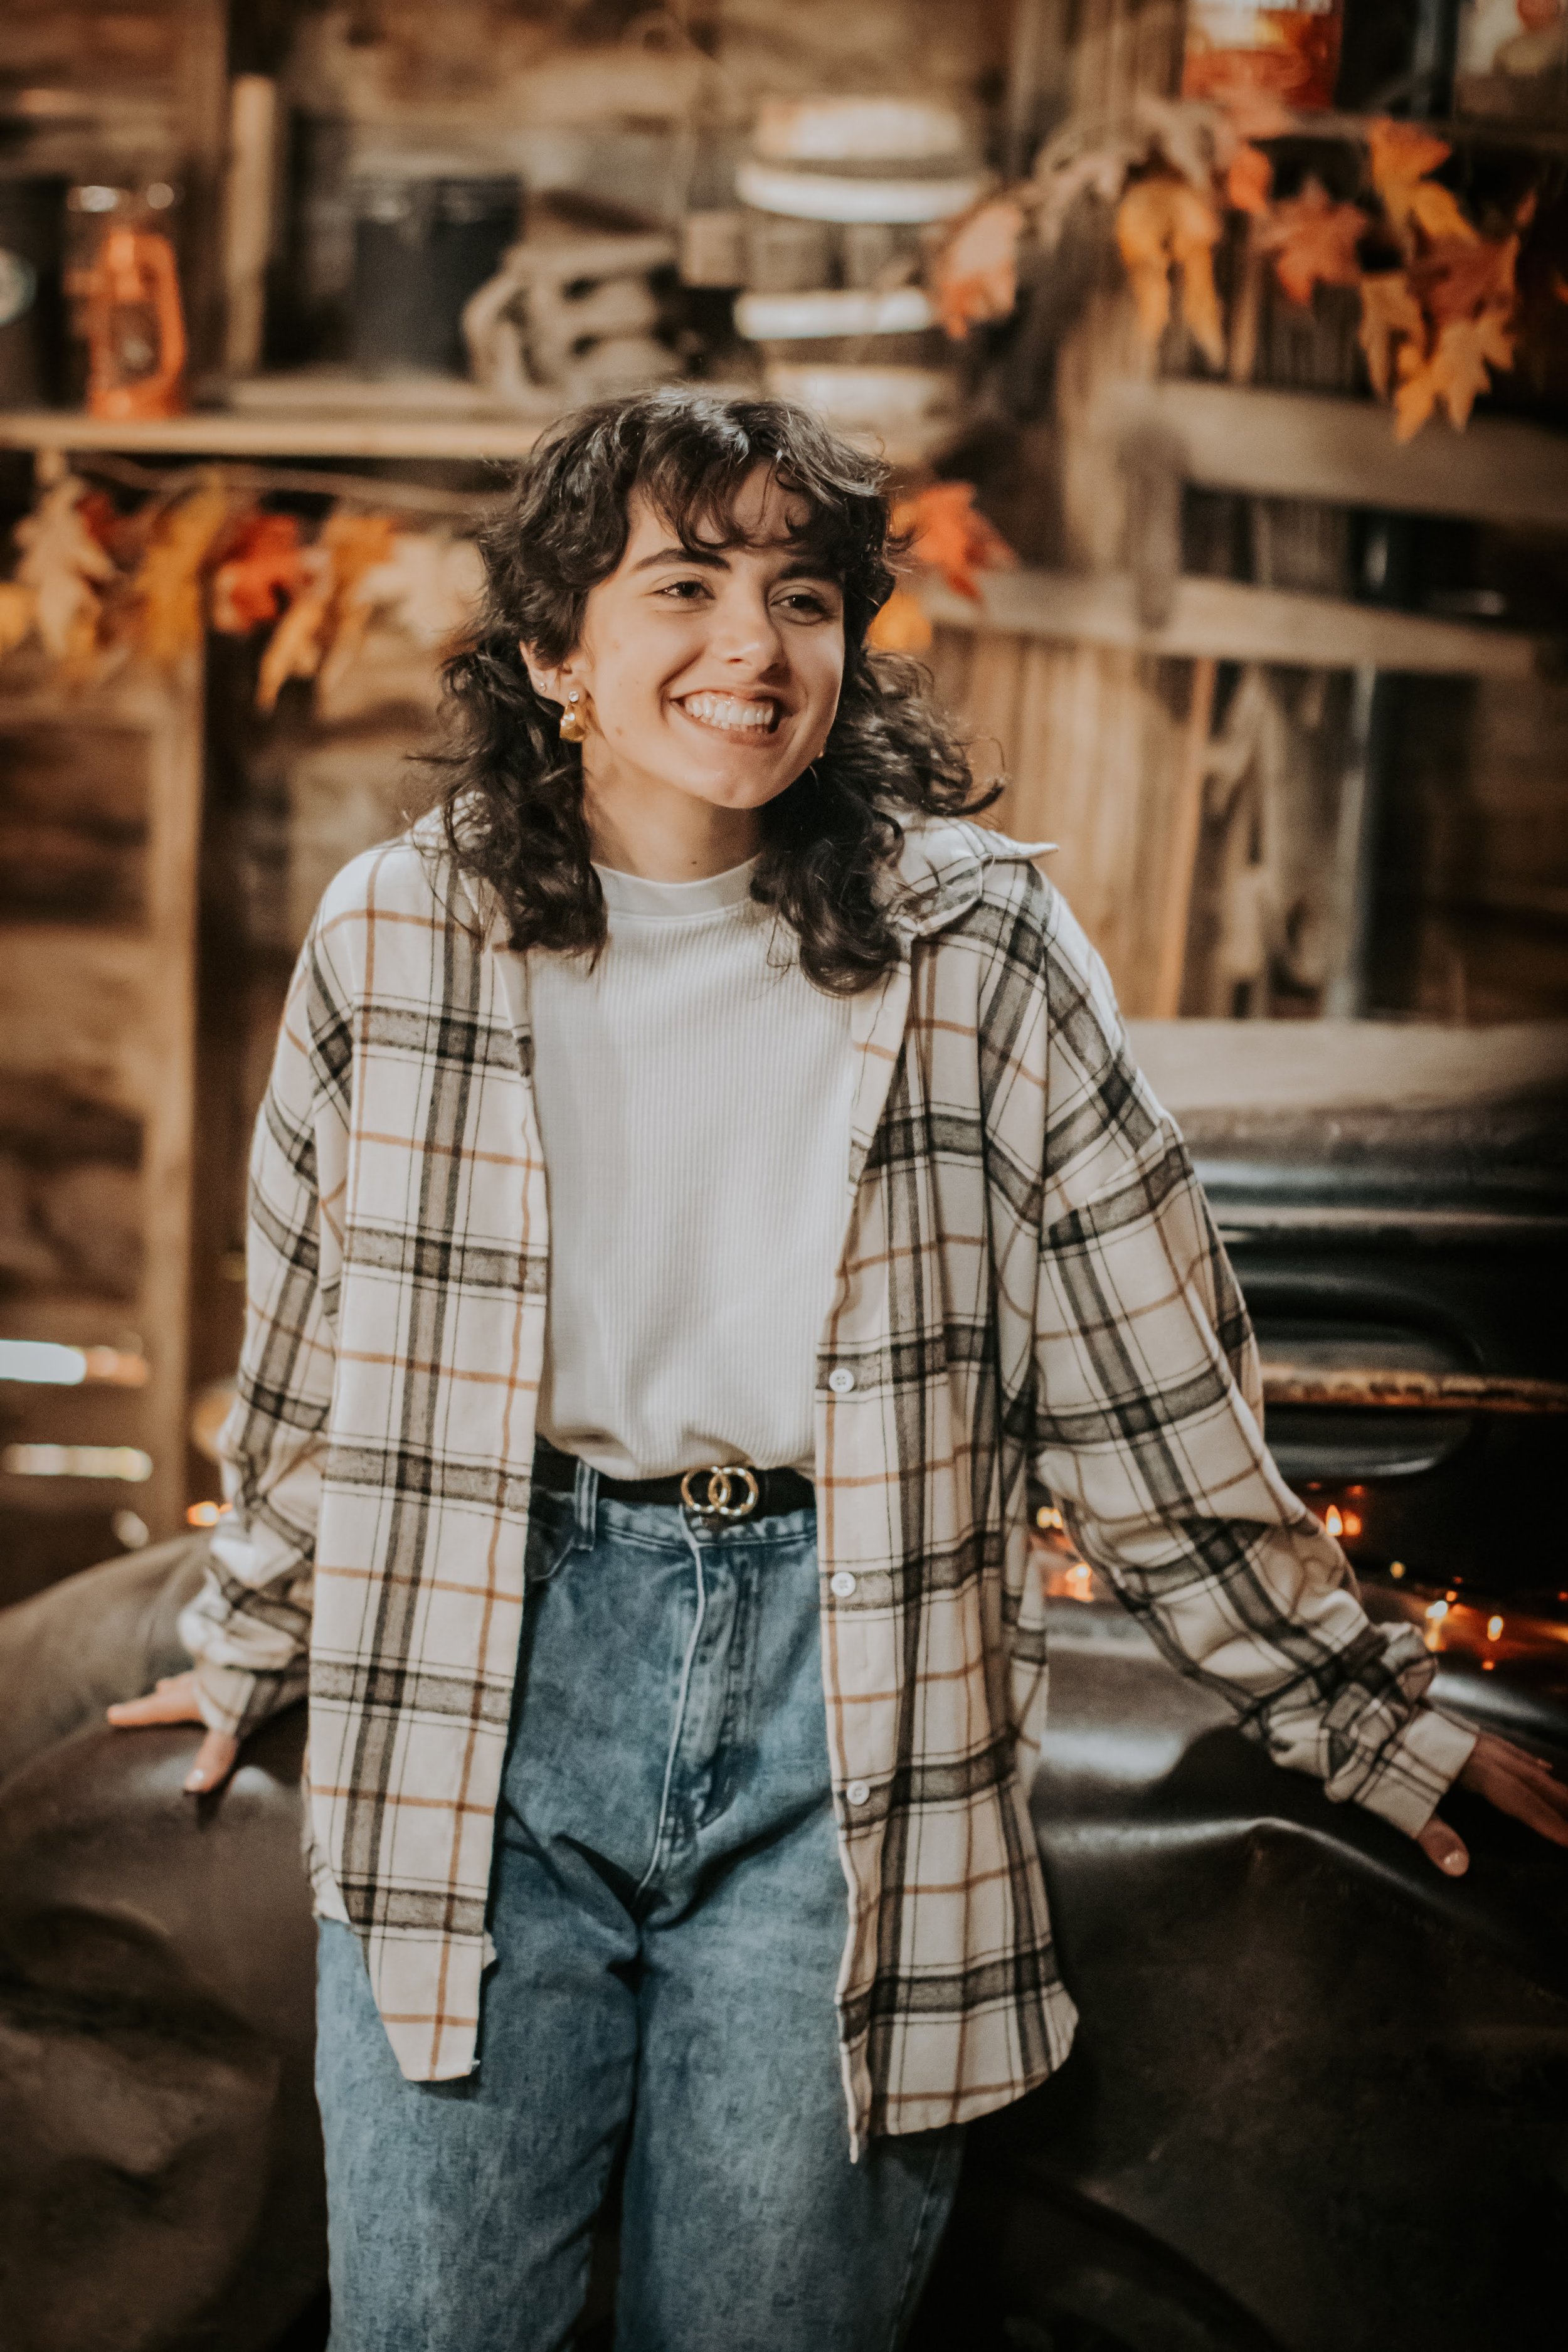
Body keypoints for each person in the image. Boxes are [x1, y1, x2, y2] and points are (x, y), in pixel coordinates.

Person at [110, 391, 1568, 2352]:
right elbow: (309, 1354)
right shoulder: (402, 937)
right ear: (557, 652)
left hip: (848, 1702)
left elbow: (1147, 1390)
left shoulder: (977, 944)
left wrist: (1354, 1713)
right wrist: (254, 1632)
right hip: (478, 1687)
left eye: (804, 595)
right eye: (684, 587)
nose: (754, 648)